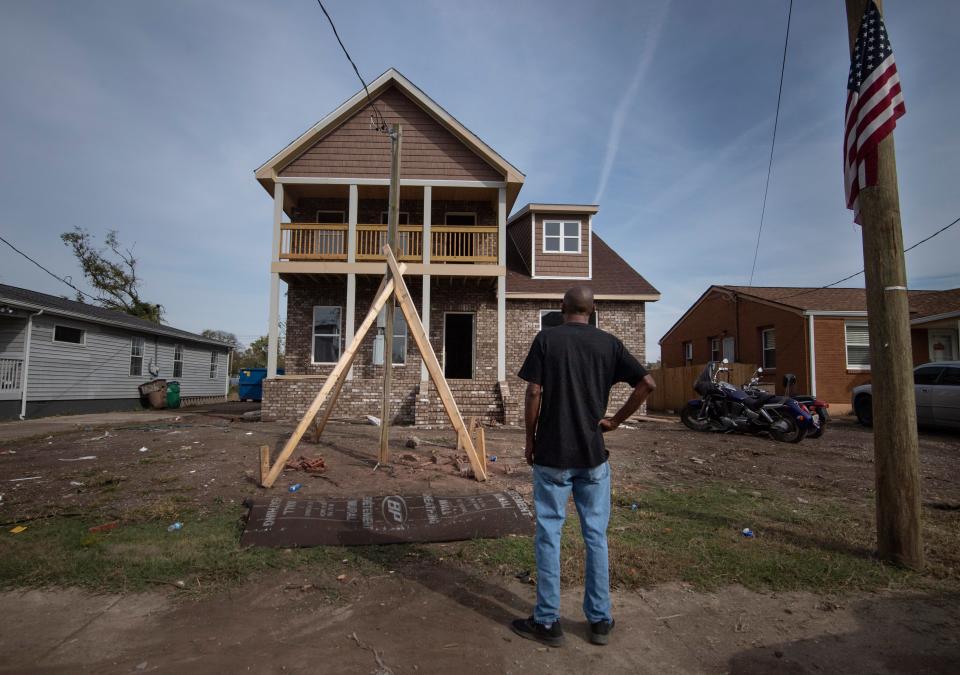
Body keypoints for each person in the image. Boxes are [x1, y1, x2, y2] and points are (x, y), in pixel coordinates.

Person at [511, 285, 656, 647]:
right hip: (593, 457)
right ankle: (600, 620)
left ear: (562, 308)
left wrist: (530, 440)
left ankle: (547, 622)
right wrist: (616, 421)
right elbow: (647, 383)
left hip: (552, 456)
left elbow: (533, 392)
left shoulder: (547, 340)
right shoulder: (609, 344)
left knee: (549, 534)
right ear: (593, 310)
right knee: (596, 536)